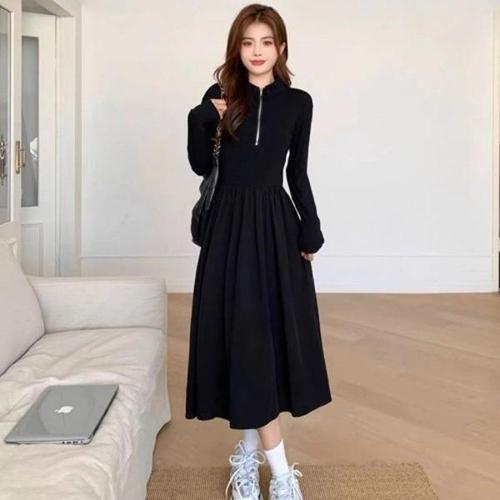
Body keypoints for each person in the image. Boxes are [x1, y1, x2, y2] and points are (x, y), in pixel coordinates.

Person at [185, 4, 333, 499]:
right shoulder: (220, 95)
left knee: (262, 342)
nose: (257, 51)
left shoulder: (298, 103)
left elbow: (297, 172)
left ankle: (247, 459)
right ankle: (282, 476)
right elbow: (200, 164)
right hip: (228, 228)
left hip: (274, 226)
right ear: (237, 47)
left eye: (266, 42)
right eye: (248, 42)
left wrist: (310, 228)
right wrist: (201, 117)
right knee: (245, 338)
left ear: (281, 48)